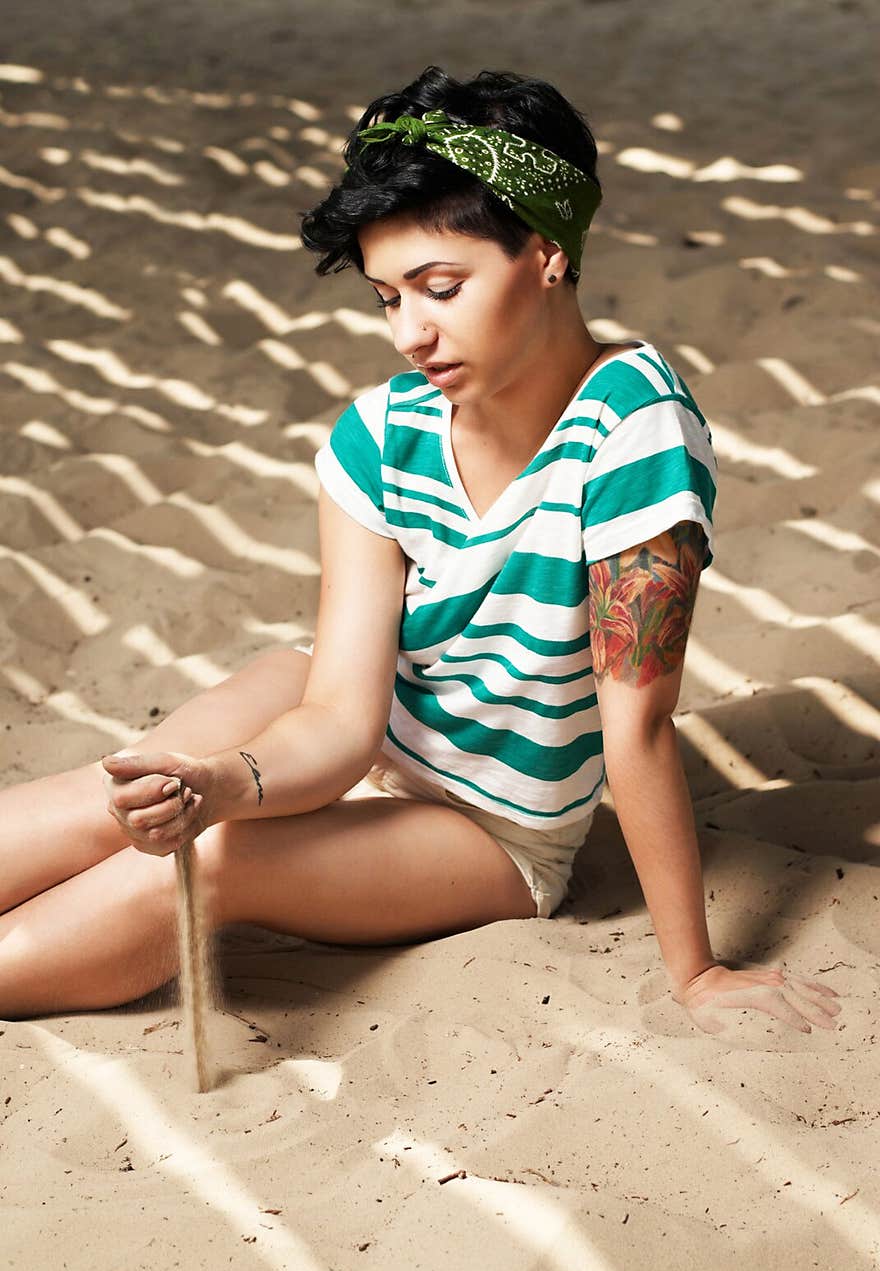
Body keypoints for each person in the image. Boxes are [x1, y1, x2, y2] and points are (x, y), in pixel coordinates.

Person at [0, 66, 839, 1038]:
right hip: (360, 734)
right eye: (386, 297)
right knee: (142, 782)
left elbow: (637, 731)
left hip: (490, 830)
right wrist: (224, 777)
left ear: (548, 252)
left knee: (220, 858)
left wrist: (693, 971)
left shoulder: (632, 433)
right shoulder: (379, 435)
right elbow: (336, 716)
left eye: (440, 288)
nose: (410, 333)